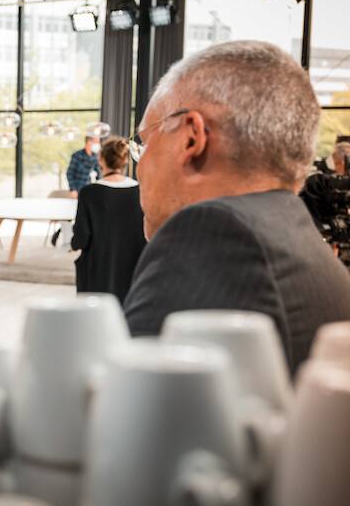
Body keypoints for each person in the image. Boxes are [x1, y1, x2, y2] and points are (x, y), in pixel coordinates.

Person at [122, 40, 350, 375]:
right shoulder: (299, 237)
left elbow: (132, 398)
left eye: (143, 143)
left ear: (191, 139)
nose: (138, 167)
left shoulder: (212, 236)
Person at [71, 136, 145, 303]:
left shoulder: (89, 193)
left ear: (100, 158)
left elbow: (80, 241)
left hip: (97, 276)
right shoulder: (141, 191)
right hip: (133, 275)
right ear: (125, 160)